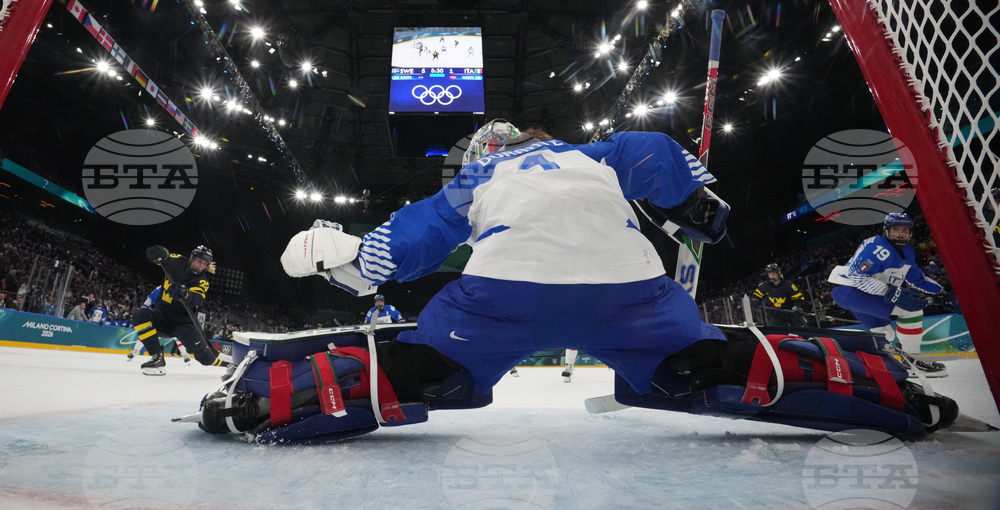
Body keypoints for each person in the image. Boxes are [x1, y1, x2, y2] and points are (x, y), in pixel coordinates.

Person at [195, 121, 958, 441]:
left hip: (501, 298)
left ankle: (263, 402)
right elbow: (656, 153)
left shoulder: (478, 176)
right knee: (696, 365)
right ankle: (885, 393)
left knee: (431, 367)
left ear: (488, 149)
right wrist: (703, 206)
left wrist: (339, 259)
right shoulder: (596, 153)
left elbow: (397, 256)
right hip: (634, 295)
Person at [828, 213, 947, 377]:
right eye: (895, 229)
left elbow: (918, 280)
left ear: (910, 233)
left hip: (860, 292)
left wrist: (943, 292)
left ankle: (873, 366)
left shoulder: (907, 252)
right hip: (849, 290)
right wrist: (891, 291)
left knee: (886, 334)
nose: (899, 233)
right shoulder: (878, 248)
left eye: (904, 230)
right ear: (886, 230)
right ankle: (912, 361)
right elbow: (856, 276)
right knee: (911, 311)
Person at [131, 245, 221, 375]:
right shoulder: (178, 261)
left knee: (206, 358)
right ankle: (157, 358)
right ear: (192, 258)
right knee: (140, 315)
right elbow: (165, 258)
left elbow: (197, 299)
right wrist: (157, 254)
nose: (201, 265)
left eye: (204, 263)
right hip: (163, 317)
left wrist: (185, 294)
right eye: (199, 261)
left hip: (183, 324)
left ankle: (231, 364)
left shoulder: (202, 281)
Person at [127, 286, 191, 363]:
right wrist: (143, 309)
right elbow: (151, 298)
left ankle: (185, 355)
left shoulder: (183, 287)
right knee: (146, 331)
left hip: (174, 318)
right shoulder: (163, 286)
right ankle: (135, 351)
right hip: (160, 317)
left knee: (178, 335)